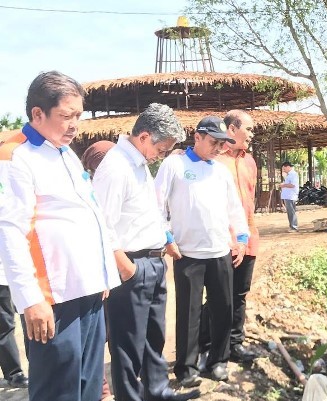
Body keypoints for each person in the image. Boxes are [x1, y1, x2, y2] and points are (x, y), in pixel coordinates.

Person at [0, 70, 121, 401]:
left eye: (78, 116)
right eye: (66, 116)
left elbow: (89, 212)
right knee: (58, 391)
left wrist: (102, 273)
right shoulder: (15, 156)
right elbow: (11, 231)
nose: (74, 125)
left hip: (88, 289)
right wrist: (30, 300)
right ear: (38, 114)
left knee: (87, 384)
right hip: (53, 298)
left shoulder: (64, 153)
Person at [92, 103, 199, 401]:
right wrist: (124, 266)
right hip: (132, 264)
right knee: (128, 342)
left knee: (154, 335)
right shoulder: (116, 168)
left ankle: (156, 390)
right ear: (144, 137)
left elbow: (147, 212)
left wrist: (164, 238)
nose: (161, 156)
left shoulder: (138, 165)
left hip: (153, 262)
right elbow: (102, 223)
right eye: (161, 149)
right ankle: (130, 396)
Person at [155, 116, 249, 385]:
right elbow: (157, 205)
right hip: (187, 254)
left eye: (222, 144)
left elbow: (234, 208)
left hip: (220, 251)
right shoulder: (174, 165)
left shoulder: (220, 171)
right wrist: (167, 237)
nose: (218, 148)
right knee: (189, 313)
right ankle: (186, 368)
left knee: (223, 309)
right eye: (213, 142)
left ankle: (218, 361)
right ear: (197, 137)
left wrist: (241, 238)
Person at [198, 110, 258, 366]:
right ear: (231, 129)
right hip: (222, 242)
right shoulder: (212, 162)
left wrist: (247, 237)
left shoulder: (250, 162)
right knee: (217, 297)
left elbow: (249, 203)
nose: (252, 133)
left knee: (239, 296)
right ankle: (206, 345)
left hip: (248, 239)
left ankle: (235, 343)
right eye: (249, 128)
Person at [81, 140, 117, 401]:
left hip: (114, 271)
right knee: (96, 337)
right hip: (93, 275)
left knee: (111, 333)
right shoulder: (87, 191)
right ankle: (101, 390)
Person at [280, 161, 299, 232]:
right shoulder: (288, 175)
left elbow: (292, 185)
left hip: (291, 196)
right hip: (288, 196)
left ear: (288, 167)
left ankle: (294, 227)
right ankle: (292, 226)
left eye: (284, 169)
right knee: (290, 212)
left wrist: (283, 185)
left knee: (291, 212)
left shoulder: (293, 175)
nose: (283, 170)